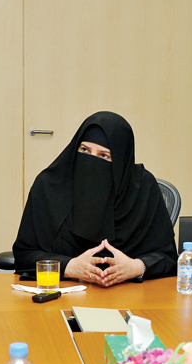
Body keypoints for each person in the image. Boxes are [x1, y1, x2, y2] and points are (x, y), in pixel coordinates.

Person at [12, 111, 177, 287]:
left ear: (121, 162)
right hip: (63, 292)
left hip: (131, 294)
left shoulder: (143, 189)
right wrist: (69, 266)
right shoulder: (49, 186)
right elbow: (24, 255)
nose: (91, 162)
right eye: (84, 150)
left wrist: (136, 267)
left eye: (104, 156)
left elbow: (167, 257)